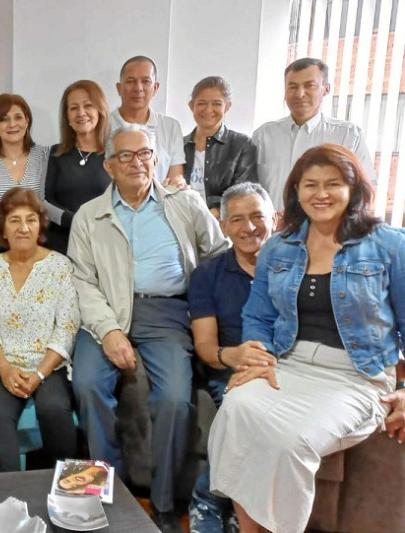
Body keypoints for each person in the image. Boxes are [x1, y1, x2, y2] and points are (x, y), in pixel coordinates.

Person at [208, 144, 405, 533]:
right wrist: (257, 355)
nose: (321, 194)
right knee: (234, 410)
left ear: (353, 189)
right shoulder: (278, 247)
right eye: (310, 184)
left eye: (333, 184)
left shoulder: (389, 245)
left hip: (355, 376)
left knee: (292, 442)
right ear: (296, 191)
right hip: (288, 363)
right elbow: (258, 315)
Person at [68, 124, 227, 533]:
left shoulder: (184, 203)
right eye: (125, 155)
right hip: (106, 314)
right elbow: (82, 281)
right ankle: (110, 492)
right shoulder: (90, 215)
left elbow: (219, 255)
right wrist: (108, 330)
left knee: (175, 398)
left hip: (168, 313)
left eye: (145, 154)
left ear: (156, 159)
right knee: (86, 385)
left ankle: (164, 503)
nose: (137, 162)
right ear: (108, 166)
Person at [185, 182, 276, 533]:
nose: (248, 228)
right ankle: (223, 502)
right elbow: (206, 347)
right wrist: (233, 355)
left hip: (286, 370)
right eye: (237, 219)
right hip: (230, 372)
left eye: (257, 217)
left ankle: (212, 498)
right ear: (223, 227)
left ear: (275, 219)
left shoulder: (297, 267)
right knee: (248, 414)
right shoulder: (208, 275)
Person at [0, 187, 79, 473]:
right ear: (3, 230)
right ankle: (11, 498)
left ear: (40, 225)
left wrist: (40, 374)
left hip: (50, 368)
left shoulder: (60, 267)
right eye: (14, 220)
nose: (23, 228)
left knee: (53, 410)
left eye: (30, 220)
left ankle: (66, 494)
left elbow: (67, 328)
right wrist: (6, 370)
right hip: (1, 367)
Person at [253, 57, 375, 211]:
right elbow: (250, 190)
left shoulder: (348, 135)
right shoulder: (263, 135)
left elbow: (365, 191)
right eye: (292, 87)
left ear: (326, 89)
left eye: (309, 85)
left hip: (327, 232)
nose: (299, 94)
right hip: (272, 231)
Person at [0, 94, 51, 259]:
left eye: (18, 117)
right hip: (2, 247)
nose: (12, 124)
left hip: (43, 245)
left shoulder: (46, 156)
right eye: (4, 119)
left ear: (27, 121)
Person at [45, 80, 112, 254]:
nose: (81, 113)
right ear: (66, 116)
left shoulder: (116, 154)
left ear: (100, 110)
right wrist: (75, 221)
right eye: (73, 108)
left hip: (103, 243)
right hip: (60, 244)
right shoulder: (55, 153)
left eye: (88, 105)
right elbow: (46, 200)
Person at [183, 76, 258, 218]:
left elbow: (245, 192)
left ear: (227, 106)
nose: (208, 110)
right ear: (191, 106)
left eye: (217, 103)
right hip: (184, 223)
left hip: (223, 225)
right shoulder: (180, 145)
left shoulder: (241, 144)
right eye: (201, 103)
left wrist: (212, 214)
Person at [109, 56, 186, 184]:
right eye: (130, 81)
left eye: (146, 81)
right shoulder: (102, 126)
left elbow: (175, 182)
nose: (138, 88)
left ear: (155, 88)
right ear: (119, 88)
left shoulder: (171, 127)